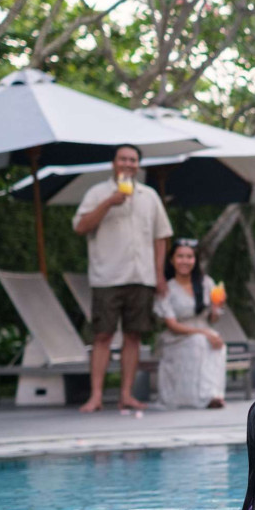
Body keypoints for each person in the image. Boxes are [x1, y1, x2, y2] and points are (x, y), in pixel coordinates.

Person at [73, 144, 172, 413]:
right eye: (123, 159)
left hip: (142, 276)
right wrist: (109, 202)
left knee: (134, 336)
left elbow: (161, 236)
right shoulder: (97, 193)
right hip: (107, 276)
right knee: (102, 335)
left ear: (138, 165)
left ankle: (126, 395)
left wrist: (159, 274)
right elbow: (80, 226)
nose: (128, 163)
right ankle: (96, 396)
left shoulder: (149, 196)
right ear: (114, 163)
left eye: (133, 160)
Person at [153, 239, 227, 409]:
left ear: (195, 260)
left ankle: (214, 394)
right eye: (180, 256)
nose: (185, 261)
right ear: (172, 260)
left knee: (218, 343)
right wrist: (204, 333)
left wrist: (217, 307)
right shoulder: (166, 288)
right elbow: (172, 325)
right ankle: (202, 397)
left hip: (204, 331)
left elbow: (212, 320)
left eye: (189, 257)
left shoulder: (205, 283)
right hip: (177, 337)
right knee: (199, 341)